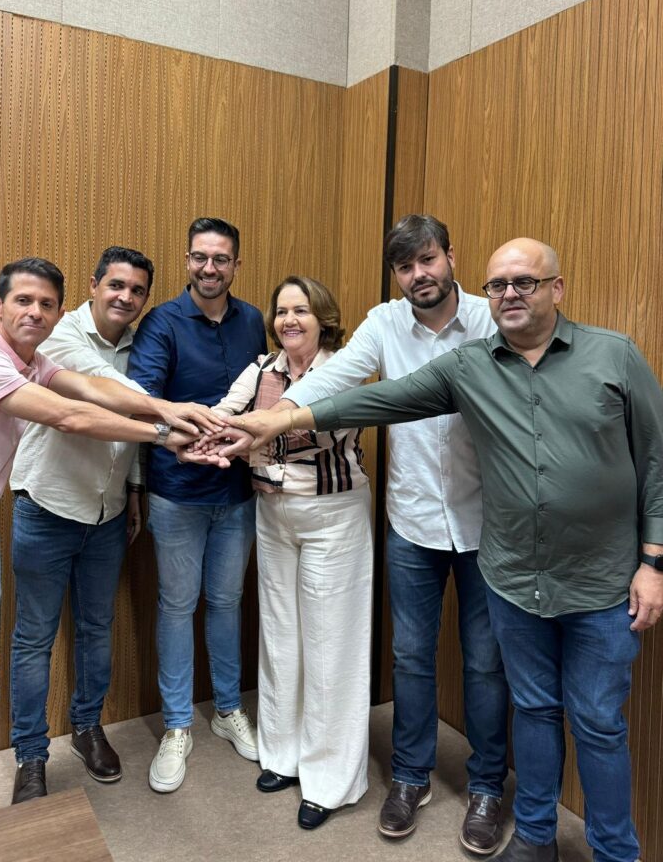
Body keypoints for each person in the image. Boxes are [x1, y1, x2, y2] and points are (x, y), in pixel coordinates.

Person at [229, 238, 663, 862]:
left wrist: (652, 562)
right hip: (509, 571)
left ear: (557, 288)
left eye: (524, 282)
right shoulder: (469, 365)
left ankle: (610, 851)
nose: (510, 295)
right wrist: (282, 418)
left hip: (597, 577)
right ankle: (532, 837)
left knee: (596, 720)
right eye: (499, 285)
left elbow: (655, 459)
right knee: (531, 707)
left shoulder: (611, 355)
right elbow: (380, 398)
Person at [0, 257, 218, 838]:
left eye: (46, 304)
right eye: (23, 301)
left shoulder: (36, 363)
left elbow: (92, 387)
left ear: (58, 310)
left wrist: (167, 408)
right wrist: (164, 434)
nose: (35, 312)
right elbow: (71, 415)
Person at [260, 216, 509, 852]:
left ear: (451, 257)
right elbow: (335, 378)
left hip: (487, 524)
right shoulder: (385, 323)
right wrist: (278, 415)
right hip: (412, 522)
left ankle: (486, 787)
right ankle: (409, 777)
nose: (418, 275)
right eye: (405, 267)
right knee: (411, 658)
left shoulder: (488, 319)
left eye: (427, 260)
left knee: (485, 663)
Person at [202, 276, 372, 830]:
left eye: (301, 310)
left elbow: (316, 433)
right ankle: (282, 755)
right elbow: (225, 412)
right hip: (272, 514)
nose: (289, 320)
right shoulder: (261, 370)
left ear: (324, 318)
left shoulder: (342, 369)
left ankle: (328, 780)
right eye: (281, 311)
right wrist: (201, 431)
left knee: (329, 643)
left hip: (332, 515)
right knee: (279, 636)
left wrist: (251, 438)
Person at [8, 247, 155, 804]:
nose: (125, 297)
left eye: (137, 290)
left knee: (97, 628)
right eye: (116, 285)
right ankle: (30, 756)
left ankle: (87, 728)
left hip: (108, 512)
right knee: (33, 639)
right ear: (93, 286)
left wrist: (135, 489)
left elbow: (132, 430)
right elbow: (104, 391)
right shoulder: (60, 332)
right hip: (47, 506)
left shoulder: (143, 345)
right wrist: (177, 416)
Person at [127, 218, 267, 794]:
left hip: (236, 493)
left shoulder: (254, 320)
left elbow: (263, 393)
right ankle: (178, 725)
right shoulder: (162, 321)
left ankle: (228, 710)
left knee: (228, 603)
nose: (210, 268)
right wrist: (189, 432)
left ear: (236, 265)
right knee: (177, 605)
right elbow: (142, 400)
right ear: (188, 261)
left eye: (221, 259)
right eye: (200, 258)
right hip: (177, 492)